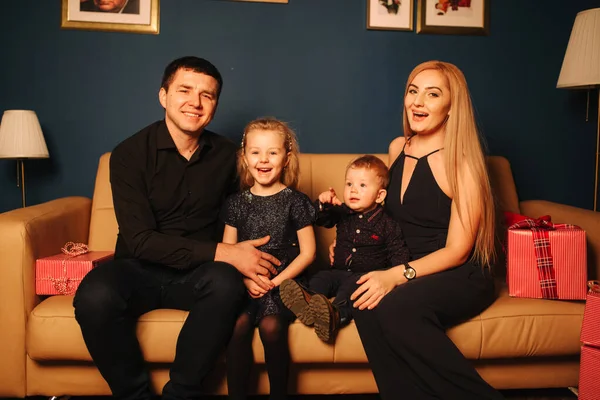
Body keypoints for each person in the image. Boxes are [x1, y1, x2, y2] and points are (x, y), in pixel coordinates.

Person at [73, 56, 281, 400]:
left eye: (207, 95)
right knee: (94, 296)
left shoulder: (231, 155)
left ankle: (182, 393)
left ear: (215, 104)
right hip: (137, 269)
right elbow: (139, 241)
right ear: (163, 96)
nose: (195, 103)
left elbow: (251, 212)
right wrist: (224, 252)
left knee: (227, 284)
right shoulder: (127, 154)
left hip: (200, 275)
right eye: (185, 90)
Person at [344, 61, 504, 399]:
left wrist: (395, 276)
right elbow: (383, 219)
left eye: (432, 94)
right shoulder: (396, 148)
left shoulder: (462, 162)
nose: (418, 102)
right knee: (362, 299)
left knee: (396, 306)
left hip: (461, 272)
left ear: (451, 106)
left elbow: (458, 250)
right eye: (413, 91)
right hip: (411, 264)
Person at [222, 118, 316, 400]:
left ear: (286, 159)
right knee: (237, 325)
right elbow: (228, 252)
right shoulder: (236, 203)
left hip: (284, 283)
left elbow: (308, 252)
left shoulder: (295, 201)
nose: (264, 160)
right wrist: (246, 279)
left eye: (272, 152)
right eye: (256, 152)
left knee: (271, 325)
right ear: (244, 157)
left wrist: (274, 282)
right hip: (247, 283)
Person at [280, 155, 410, 343]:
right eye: (349, 184)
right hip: (338, 272)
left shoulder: (387, 225)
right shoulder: (342, 212)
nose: (353, 190)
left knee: (349, 292)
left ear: (380, 195)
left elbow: (399, 254)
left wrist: (394, 279)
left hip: (364, 277)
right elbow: (321, 219)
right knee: (320, 279)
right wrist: (323, 204)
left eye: (362, 186)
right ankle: (308, 304)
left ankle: (335, 315)